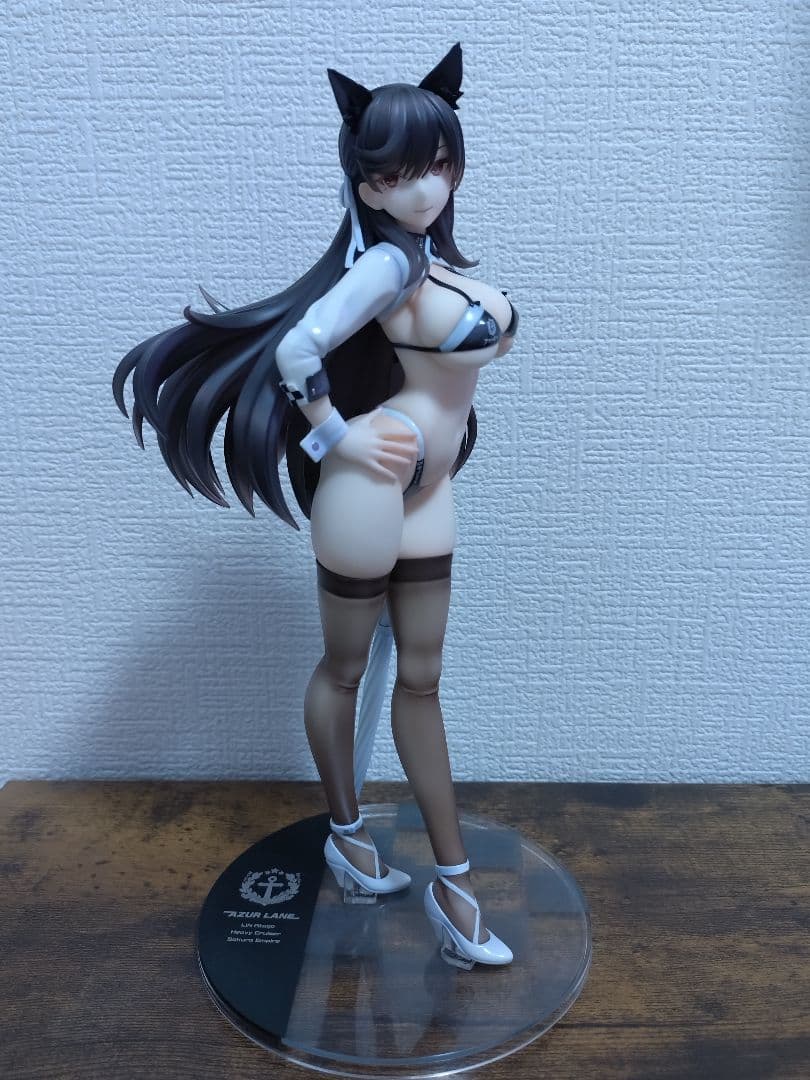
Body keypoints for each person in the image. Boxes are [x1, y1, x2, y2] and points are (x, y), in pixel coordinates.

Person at [113, 43, 518, 968]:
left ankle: (453, 881)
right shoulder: (388, 268)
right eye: (397, 175)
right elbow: (300, 351)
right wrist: (338, 438)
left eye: (439, 164)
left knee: (422, 680)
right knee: (345, 670)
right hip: (371, 486)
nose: (424, 188)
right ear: (366, 185)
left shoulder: (432, 260)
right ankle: (346, 832)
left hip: (429, 487)